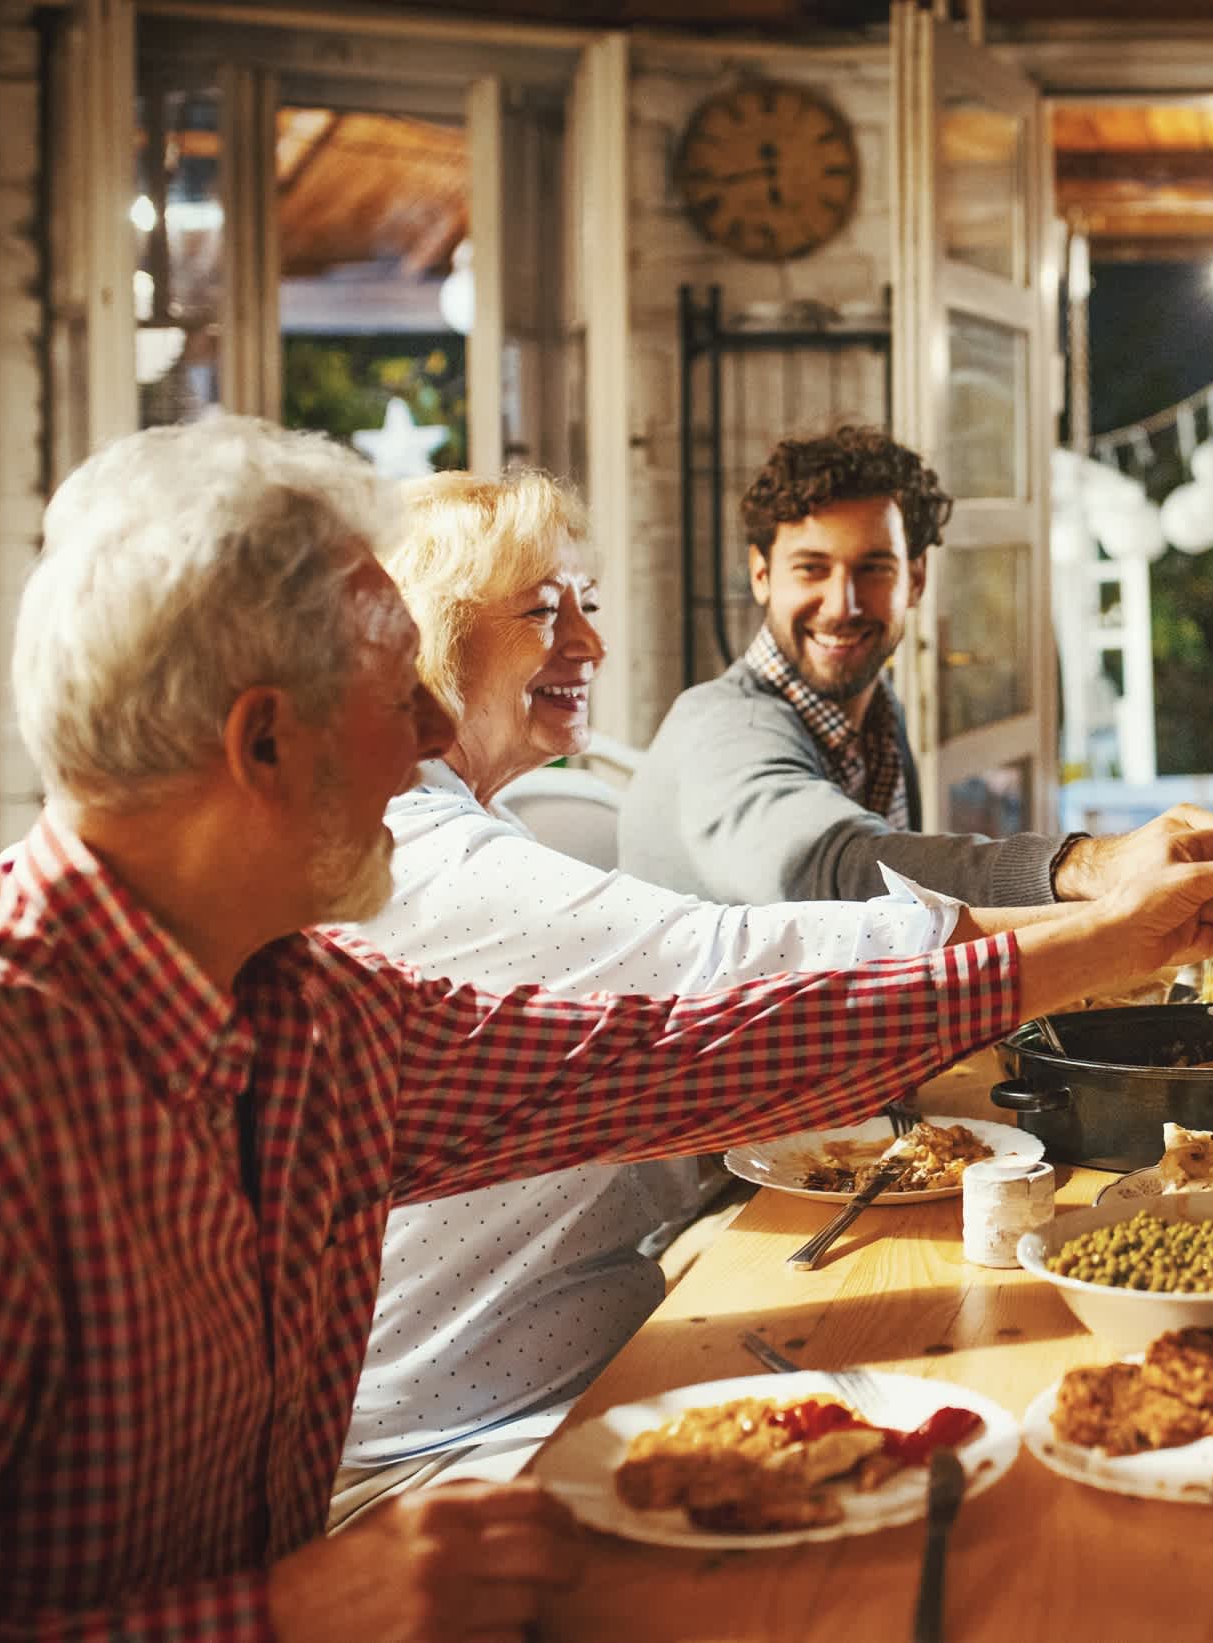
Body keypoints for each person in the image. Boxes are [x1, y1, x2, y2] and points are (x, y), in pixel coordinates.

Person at [0, 418, 1213, 1639]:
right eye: (400, 700)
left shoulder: (303, 1009)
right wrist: (280, 1617)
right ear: (262, 745)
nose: (437, 735)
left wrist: (1108, 943)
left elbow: (677, 1056)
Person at [338, 470, 1086, 1521]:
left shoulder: (458, 828)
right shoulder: (437, 859)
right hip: (457, 1445)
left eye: (585, 608)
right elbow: (757, 943)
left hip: (593, 1351)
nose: (590, 646)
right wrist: (1126, 918)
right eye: (547, 613)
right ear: (432, 633)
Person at [624, 424, 1201, 906]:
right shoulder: (723, 726)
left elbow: (892, 924)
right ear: (761, 575)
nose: (842, 605)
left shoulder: (877, 708)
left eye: (873, 568)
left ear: (916, 578)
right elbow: (831, 868)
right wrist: (1087, 866)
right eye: (811, 568)